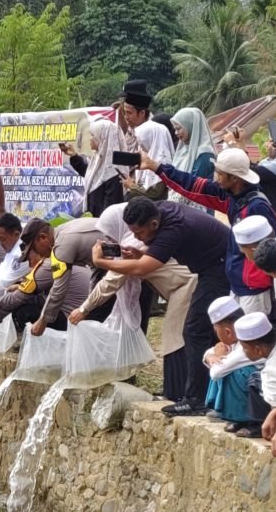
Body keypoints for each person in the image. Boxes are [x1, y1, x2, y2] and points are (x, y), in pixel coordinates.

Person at [91, 197, 231, 416]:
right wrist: (141, 254)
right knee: (208, 330)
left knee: (194, 330)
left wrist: (101, 262)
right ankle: (212, 393)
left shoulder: (173, 228)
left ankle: (196, 400)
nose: (136, 238)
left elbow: (140, 269)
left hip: (220, 267)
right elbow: (150, 258)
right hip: (210, 267)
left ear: (153, 224)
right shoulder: (159, 212)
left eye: (139, 234)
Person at [69, 202, 196, 402]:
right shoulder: (137, 242)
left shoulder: (134, 241)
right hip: (181, 286)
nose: (109, 240)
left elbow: (110, 282)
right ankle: (183, 391)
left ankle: (177, 394)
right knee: (184, 337)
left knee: (174, 338)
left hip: (185, 287)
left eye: (110, 234)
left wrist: (84, 309)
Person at [140, 147, 276, 314]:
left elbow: (270, 250)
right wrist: (157, 167)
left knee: (253, 336)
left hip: (255, 288)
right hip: (238, 282)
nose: (215, 177)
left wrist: (258, 280)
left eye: (219, 173)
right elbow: (194, 185)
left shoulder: (257, 206)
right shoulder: (231, 196)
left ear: (234, 178)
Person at [0, 249, 91, 332]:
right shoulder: (56, 262)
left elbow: (16, 298)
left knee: (22, 309)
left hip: (75, 320)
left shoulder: (46, 266)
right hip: (84, 313)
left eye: (29, 258)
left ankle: (29, 339)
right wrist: (20, 286)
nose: (29, 264)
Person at [19, 217, 108, 336]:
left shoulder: (62, 245)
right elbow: (96, 268)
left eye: (35, 249)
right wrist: (88, 305)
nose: (39, 254)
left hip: (125, 265)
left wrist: (42, 322)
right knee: (95, 319)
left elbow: (59, 287)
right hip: (113, 268)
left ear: (43, 237)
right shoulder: (63, 232)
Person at [203, 297, 264, 434]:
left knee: (235, 373)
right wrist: (211, 356)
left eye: (217, 331)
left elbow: (216, 373)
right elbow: (211, 352)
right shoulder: (237, 339)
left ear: (227, 332)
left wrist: (217, 358)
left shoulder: (245, 345)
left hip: (267, 387)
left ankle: (254, 421)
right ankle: (237, 418)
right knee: (226, 368)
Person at [61, 119, 125, 217]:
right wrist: (74, 156)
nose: (90, 139)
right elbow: (90, 174)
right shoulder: (99, 158)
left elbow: (109, 211)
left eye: (93, 135)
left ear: (103, 138)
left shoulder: (113, 171)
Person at [121, 81, 174, 191]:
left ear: (142, 113)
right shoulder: (130, 132)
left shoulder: (154, 131)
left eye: (129, 113)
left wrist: (134, 187)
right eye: (124, 113)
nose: (126, 117)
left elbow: (156, 190)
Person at [237, 313, 276, 443]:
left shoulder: (271, 370)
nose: (243, 352)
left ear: (258, 350)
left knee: (255, 379)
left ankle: (257, 425)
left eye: (244, 348)